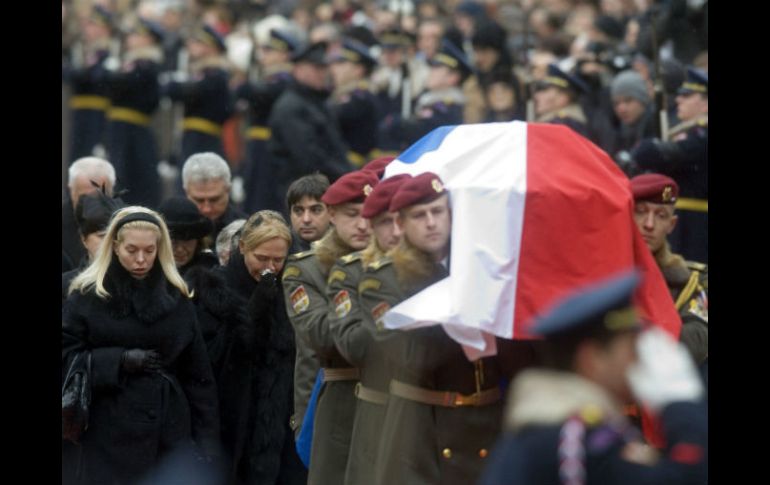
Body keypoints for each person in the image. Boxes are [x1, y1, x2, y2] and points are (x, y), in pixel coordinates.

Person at [357, 173, 536, 485]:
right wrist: (465, 309)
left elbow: (514, 356)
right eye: (419, 215)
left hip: (487, 422)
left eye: (438, 211)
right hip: (423, 430)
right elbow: (408, 358)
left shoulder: (480, 267)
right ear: (399, 223)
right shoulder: (384, 281)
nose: (431, 223)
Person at [479, 270, 708, 485]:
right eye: (631, 349)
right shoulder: (575, 443)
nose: (639, 360)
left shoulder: (563, 429)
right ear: (592, 359)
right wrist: (681, 406)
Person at [62, 206, 220, 483]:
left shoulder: (176, 296)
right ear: (115, 246)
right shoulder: (87, 295)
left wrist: (206, 440)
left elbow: (198, 377)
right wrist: (117, 360)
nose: (141, 259)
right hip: (104, 427)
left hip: (167, 425)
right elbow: (66, 355)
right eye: (132, 250)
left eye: (149, 251)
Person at [282, 170, 378, 484]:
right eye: (353, 215)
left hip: (392, 404)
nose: (363, 224)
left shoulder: (395, 264)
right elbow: (321, 338)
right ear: (333, 215)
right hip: (340, 404)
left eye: (370, 214)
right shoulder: (307, 269)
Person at [205, 210, 307, 484]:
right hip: (235, 417)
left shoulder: (294, 289)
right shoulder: (216, 288)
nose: (270, 268)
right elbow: (220, 355)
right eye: (261, 258)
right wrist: (257, 307)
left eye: (278, 260)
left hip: (283, 416)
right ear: (242, 248)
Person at [328, 174, 409, 485]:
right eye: (386, 222)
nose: (397, 231)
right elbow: (351, 345)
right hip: (377, 406)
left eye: (402, 220)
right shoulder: (355, 273)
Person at [629, 67, 708, 263]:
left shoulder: (702, 134)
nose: (679, 100)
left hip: (696, 223)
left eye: (688, 96)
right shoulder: (686, 131)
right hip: (676, 218)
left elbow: (652, 155)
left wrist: (655, 148)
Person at [630, 174, 707, 366]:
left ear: (671, 225)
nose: (649, 224)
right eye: (640, 211)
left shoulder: (692, 281)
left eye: (661, 215)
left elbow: (695, 343)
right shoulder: (601, 271)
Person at [268, 41, 354, 209]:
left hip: (320, 191)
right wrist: (345, 176)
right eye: (316, 68)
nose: (323, 73)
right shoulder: (292, 106)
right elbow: (308, 157)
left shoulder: (316, 102)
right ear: (298, 69)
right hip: (301, 195)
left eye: (324, 68)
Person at [103, 17, 164, 208]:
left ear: (149, 40)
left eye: (137, 34)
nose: (131, 38)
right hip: (118, 129)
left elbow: (121, 84)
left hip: (133, 131)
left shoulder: (147, 65)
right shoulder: (130, 63)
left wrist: (112, 74)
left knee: (129, 181)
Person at [235, 28, 298, 213]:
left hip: (269, 148)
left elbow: (255, 93)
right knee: (252, 196)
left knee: (263, 199)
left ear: (285, 54)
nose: (264, 56)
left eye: (270, 51)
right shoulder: (269, 78)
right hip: (256, 146)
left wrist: (245, 87)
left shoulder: (284, 80)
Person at [379, 40, 471, 151]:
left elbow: (420, 129)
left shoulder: (449, 107)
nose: (431, 72)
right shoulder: (427, 100)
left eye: (437, 68)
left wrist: (396, 121)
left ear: (453, 78)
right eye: (432, 67)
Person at [164, 24, 233, 165]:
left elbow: (189, 91)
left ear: (212, 48)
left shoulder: (216, 74)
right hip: (191, 137)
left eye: (198, 43)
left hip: (204, 139)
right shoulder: (201, 72)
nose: (191, 46)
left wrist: (176, 85)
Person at [62, 189, 125, 303]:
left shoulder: (136, 280)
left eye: (114, 236)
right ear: (84, 239)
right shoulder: (66, 286)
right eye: (102, 236)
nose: (109, 242)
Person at [328, 37, 380, 167]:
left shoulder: (360, 97)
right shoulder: (340, 93)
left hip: (351, 167)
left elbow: (332, 115)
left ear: (358, 70)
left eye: (341, 64)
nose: (334, 68)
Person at [63, 157, 116, 272]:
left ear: (112, 190)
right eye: (85, 196)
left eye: (100, 195)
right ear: (71, 190)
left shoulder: (126, 220)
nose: (92, 202)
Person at [181, 152, 247, 240]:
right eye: (199, 200)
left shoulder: (247, 230)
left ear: (228, 190)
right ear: (186, 192)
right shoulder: (169, 229)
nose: (207, 209)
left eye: (214, 199)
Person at [158, 196, 217, 275]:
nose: (180, 249)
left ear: (198, 241)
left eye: (187, 240)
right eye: (173, 240)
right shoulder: (144, 271)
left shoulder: (212, 271)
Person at [533, 64, 590, 138]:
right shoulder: (563, 122)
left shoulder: (561, 124)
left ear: (563, 98)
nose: (536, 96)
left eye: (544, 90)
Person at [286, 173, 332, 253]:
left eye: (316, 210)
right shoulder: (278, 251)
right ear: (290, 214)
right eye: (298, 211)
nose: (306, 219)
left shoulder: (348, 247)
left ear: (331, 213)